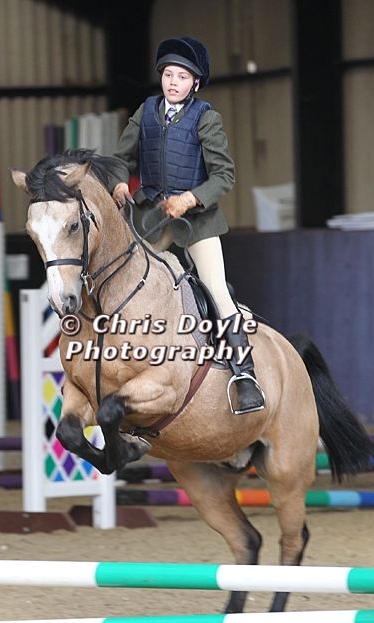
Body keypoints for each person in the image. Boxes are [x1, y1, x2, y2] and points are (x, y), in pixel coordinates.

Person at [110, 36, 265, 415]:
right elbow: (121, 158)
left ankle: (245, 376)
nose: (173, 83)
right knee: (124, 279)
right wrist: (118, 181)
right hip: (153, 216)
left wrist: (189, 199)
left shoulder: (206, 118)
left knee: (216, 290)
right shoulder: (145, 112)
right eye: (168, 75)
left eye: (181, 77)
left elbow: (224, 175)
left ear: (195, 82)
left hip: (197, 221)